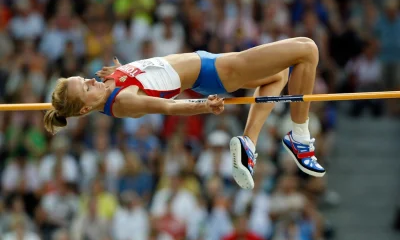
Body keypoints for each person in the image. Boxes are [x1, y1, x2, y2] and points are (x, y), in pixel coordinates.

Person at [44, 37, 325, 189]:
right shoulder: (123, 100)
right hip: (217, 71)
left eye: (84, 78)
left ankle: (248, 144)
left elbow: (145, 75)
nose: (90, 79)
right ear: (84, 108)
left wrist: (119, 70)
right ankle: (299, 137)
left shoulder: (108, 85)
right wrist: (204, 105)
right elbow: (168, 107)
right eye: (85, 86)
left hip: (209, 65)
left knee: (276, 76)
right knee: (307, 49)